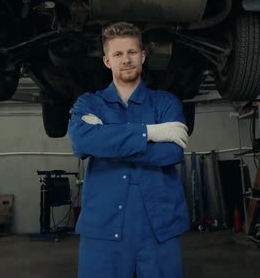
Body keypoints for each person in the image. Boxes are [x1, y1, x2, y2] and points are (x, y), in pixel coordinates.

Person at [68, 22, 191, 278]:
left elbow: (172, 153)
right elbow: (82, 143)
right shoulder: (89, 103)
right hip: (103, 228)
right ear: (107, 61)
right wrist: (150, 133)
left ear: (143, 56)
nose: (126, 60)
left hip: (158, 228)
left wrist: (107, 140)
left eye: (132, 52)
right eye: (118, 54)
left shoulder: (166, 103)